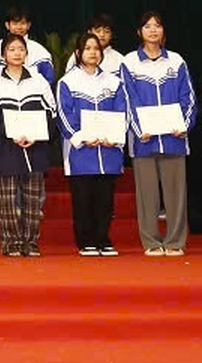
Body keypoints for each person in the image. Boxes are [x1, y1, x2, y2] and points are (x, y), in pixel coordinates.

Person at [119, 11, 197, 257]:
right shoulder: (129, 62)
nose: (153, 30)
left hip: (174, 139)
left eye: (157, 26)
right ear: (139, 32)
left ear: (163, 31)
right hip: (144, 141)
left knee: (176, 194)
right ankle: (151, 241)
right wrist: (140, 129)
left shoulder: (176, 61)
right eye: (147, 26)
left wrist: (184, 125)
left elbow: (189, 97)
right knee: (147, 195)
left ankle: (175, 241)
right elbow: (127, 99)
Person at [0, 34, 55, 257]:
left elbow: (51, 113)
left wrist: (35, 134)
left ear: (26, 53)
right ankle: (11, 242)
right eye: (12, 49)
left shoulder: (39, 80)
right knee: (7, 199)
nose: (17, 53)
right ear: (3, 54)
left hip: (35, 146)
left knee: (32, 199)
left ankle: (30, 242)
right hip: (5, 147)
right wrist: (10, 133)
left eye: (21, 49)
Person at [57, 33, 128, 257]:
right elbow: (64, 115)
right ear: (78, 53)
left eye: (96, 48)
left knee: (105, 198)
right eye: (87, 48)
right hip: (81, 151)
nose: (92, 52)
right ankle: (86, 240)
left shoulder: (114, 82)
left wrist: (114, 136)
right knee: (83, 198)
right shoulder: (67, 82)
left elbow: (123, 112)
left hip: (108, 149)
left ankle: (103, 238)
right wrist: (80, 137)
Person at [0, 6, 56, 85]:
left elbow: (48, 80)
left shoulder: (40, 51)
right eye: (15, 23)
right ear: (7, 25)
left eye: (22, 23)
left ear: (29, 25)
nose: (19, 27)